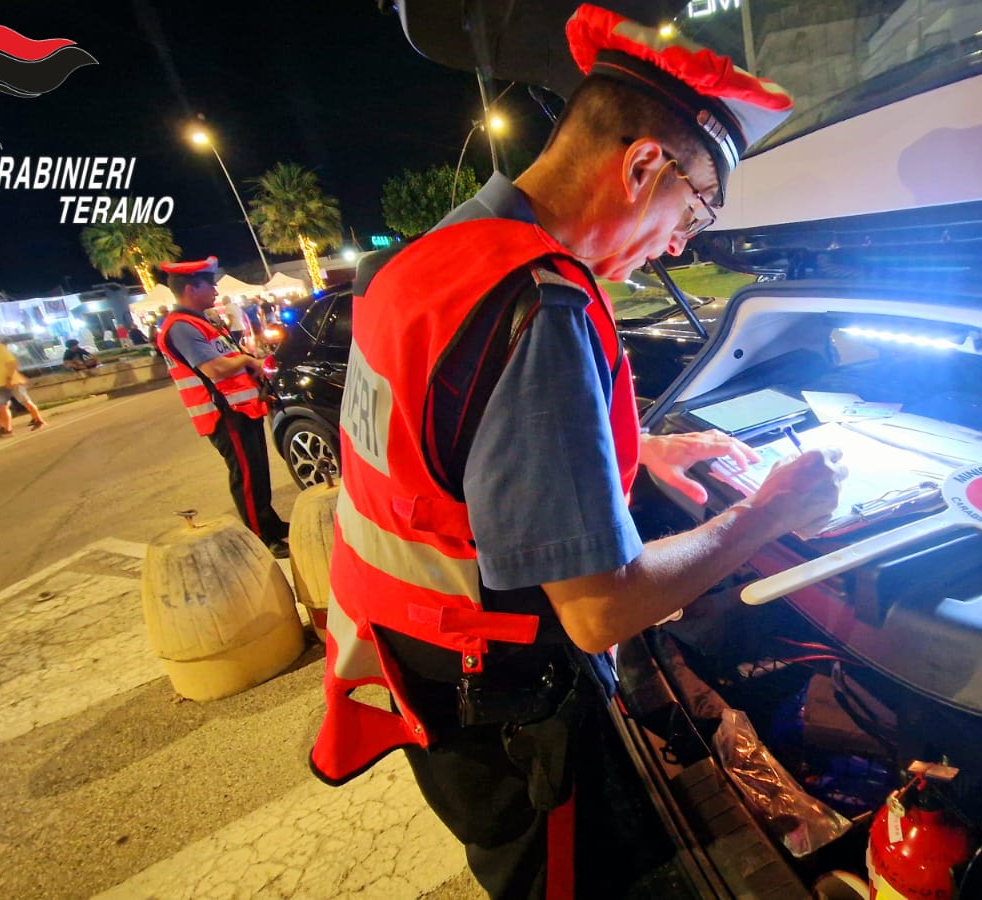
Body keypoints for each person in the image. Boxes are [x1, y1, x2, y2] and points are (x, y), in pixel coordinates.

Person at [310, 7, 844, 898]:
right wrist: (772, 512)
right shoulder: (541, 306)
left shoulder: (433, 256)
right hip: (510, 710)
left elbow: (456, 447)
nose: (683, 241)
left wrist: (629, 456)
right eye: (698, 205)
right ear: (643, 165)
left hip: (421, 669)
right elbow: (600, 610)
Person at [153, 257, 291, 557]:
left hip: (242, 408)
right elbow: (215, 369)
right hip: (223, 413)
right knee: (245, 475)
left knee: (257, 472)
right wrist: (245, 360)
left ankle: (270, 524)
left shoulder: (202, 321)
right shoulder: (181, 327)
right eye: (209, 284)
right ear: (191, 288)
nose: (216, 289)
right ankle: (260, 537)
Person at [0, 331, 45, 435]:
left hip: (10, 380)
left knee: (25, 401)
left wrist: (9, 378)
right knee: (1, 407)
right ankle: (7, 428)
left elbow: (12, 362)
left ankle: (38, 420)